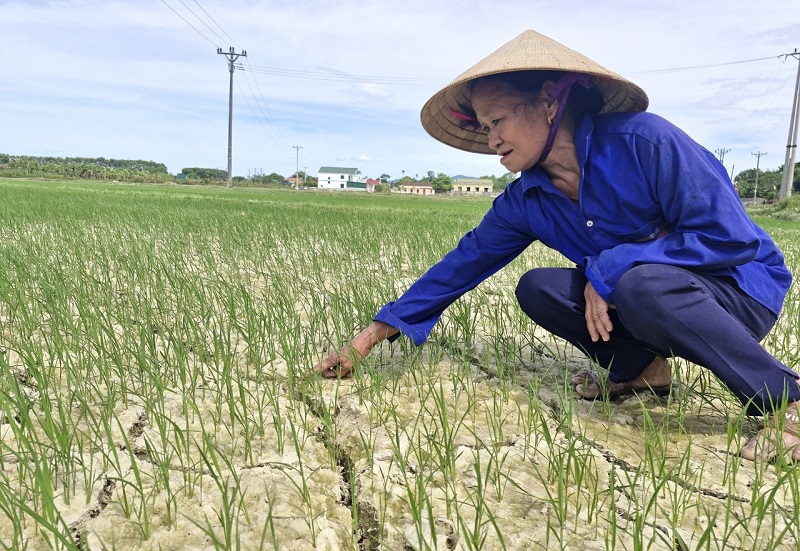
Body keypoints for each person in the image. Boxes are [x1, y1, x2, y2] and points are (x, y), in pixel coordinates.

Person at [313, 30, 800, 462]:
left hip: (737, 293)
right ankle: (642, 371)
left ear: (549, 102)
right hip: (649, 300)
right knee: (538, 288)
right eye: (484, 126)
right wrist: (368, 339)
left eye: (498, 119)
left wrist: (612, 265)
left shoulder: (645, 143)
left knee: (640, 283)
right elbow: (460, 266)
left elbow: (729, 239)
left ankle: (785, 401)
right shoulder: (526, 199)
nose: (492, 138)